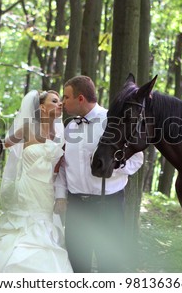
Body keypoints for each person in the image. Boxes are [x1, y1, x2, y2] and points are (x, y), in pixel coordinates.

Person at [0, 90, 73, 273]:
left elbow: (61, 168)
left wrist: (61, 195)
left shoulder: (61, 133)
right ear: (42, 107)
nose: (60, 104)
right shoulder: (27, 128)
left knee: (45, 232)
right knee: (22, 231)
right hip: (27, 191)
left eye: (60, 101)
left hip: (46, 194)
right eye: (55, 101)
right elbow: (1, 144)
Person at [54, 76, 144, 273]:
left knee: (109, 267)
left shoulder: (111, 120)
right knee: (77, 266)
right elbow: (62, 166)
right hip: (76, 207)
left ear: (80, 99)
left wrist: (111, 166)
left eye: (66, 96)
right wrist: (60, 195)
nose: (62, 101)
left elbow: (137, 159)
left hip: (108, 205)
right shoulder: (70, 127)